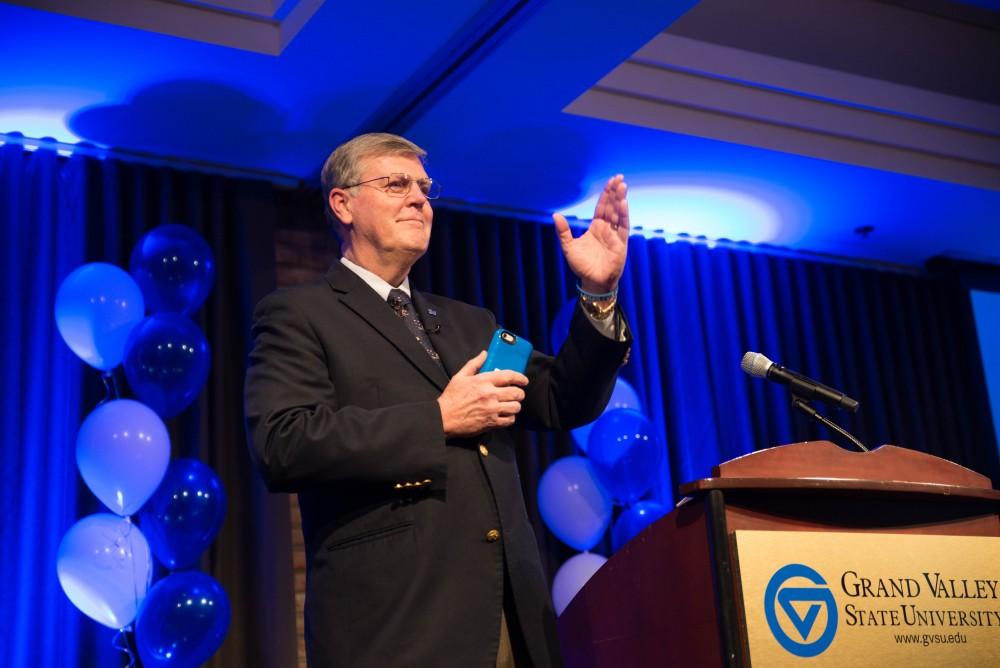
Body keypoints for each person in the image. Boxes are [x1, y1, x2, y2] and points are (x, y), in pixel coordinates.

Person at [244, 132, 632, 667]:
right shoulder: (299, 314)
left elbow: (559, 400)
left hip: (510, 620)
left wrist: (598, 296)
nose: (419, 199)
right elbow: (282, 443)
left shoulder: (469, 323)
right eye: (396, 184)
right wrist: (438, 419)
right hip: (397, 626)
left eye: (425, 188)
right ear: (343, 203)